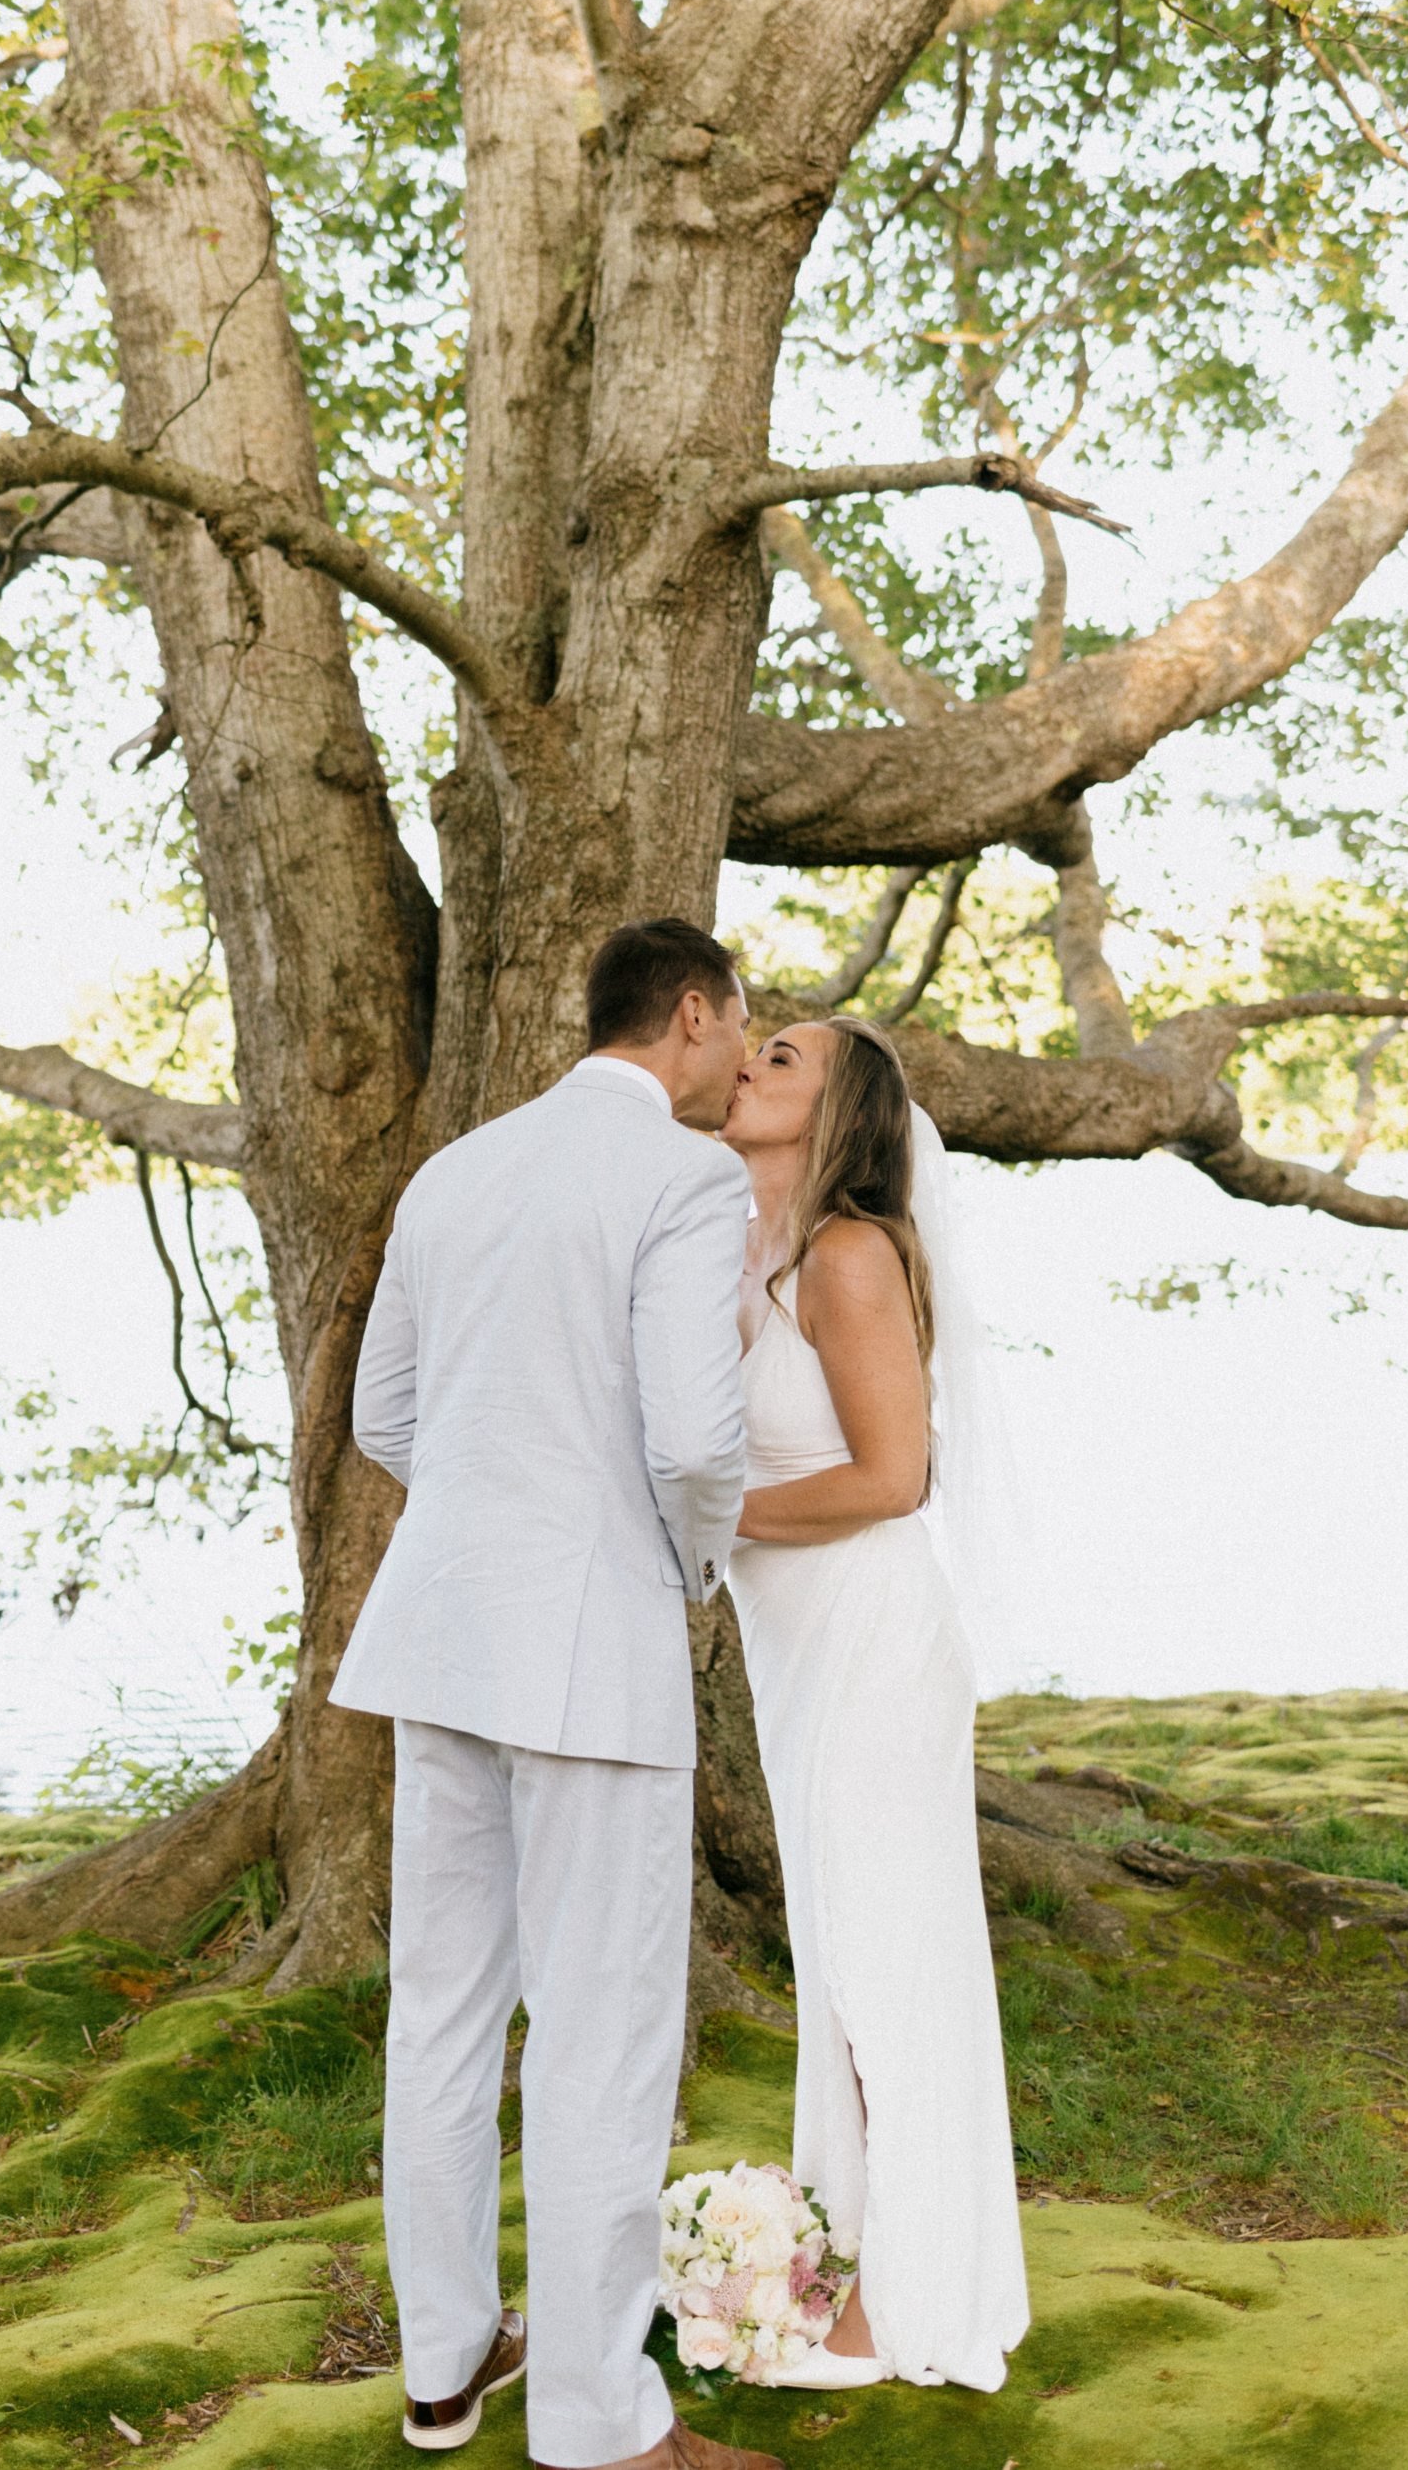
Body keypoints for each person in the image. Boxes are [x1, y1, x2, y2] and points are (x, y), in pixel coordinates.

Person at [333, 919, 787, 2470]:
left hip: (441, 1636)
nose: (746, 1058)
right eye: (742, 1029)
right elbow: (693, 1440)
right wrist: (686, 1567)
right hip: (591, 1644)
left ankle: (446, 2371)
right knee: (602, 2032)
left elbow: (383, 1409)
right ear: (689, 1015)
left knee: (442, 2013)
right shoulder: (684, 1175)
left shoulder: (455, 1170)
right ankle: (602, 2424)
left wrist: (492, 1508)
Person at [721, 1014, 1029, 2395]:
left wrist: (706, 1516)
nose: (747, 1062)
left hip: (870, 1641)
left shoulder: (846, 1254)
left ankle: (902, 2305)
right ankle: (851, 2254)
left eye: (780, 1056)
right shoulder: (745, 1250)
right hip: (796, 1650)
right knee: (844, 1953)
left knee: (884, 1962)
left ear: (840, 1112)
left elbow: (893, 1476)